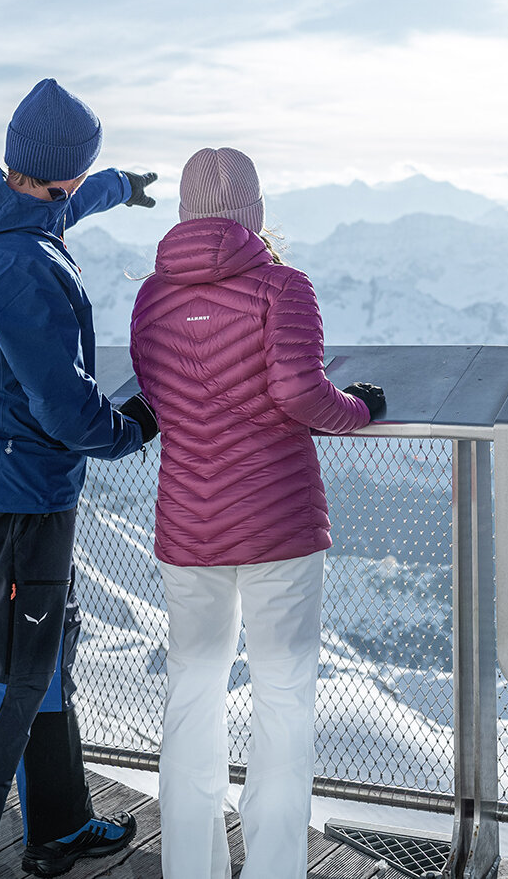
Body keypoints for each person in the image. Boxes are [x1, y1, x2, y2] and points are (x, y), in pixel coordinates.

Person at [0, 77, 162, 879]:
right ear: (64, 173)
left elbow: (50, 207)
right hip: (23, 496)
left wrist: (118, 189)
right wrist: (136, 425)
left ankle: (57, 826)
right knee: (5, 677)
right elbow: (64, 407)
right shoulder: (22, 266)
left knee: (38, 662)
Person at [129, 146, 387, 879]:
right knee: (282, 703)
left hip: (188, 526)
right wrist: (362, 407)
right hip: (277, 524)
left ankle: (190, 870)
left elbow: (163, 400)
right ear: (257, 212)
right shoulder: (283, 286)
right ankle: (274, 869)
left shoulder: (151, 297)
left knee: (192, 698)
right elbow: (303, 398)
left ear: (183, 214)